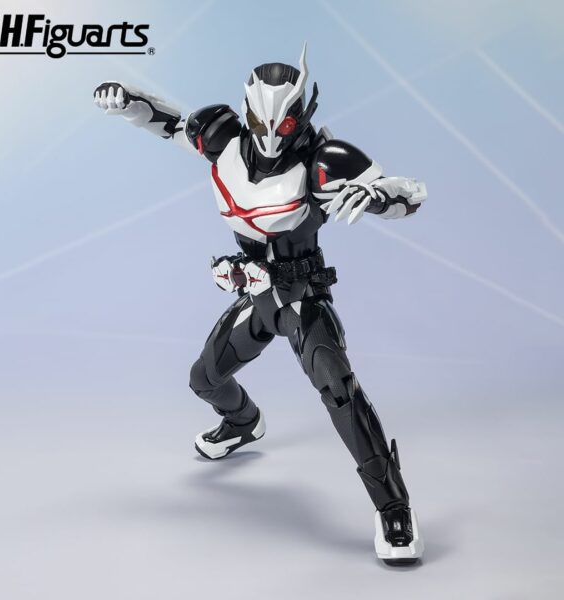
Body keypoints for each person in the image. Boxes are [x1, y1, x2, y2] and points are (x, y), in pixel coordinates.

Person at [94, 45, 426, 564]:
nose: (273, 134)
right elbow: (169, 123)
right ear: (247, 112)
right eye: (262, 122)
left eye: (286, 123)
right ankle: (244, 422)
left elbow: (407, 193)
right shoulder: (221, 136)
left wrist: (380, 198)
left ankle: (394, 508)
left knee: (340, 393)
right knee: (204, 379)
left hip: (302, 298)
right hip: (255, 292)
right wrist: (129, 100)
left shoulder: (323, 159)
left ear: (303, 114)